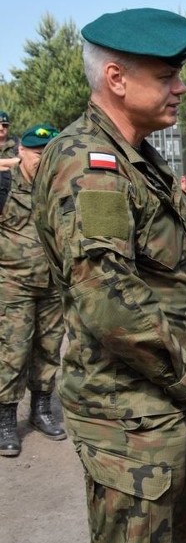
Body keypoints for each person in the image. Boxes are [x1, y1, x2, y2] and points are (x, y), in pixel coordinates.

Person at [32, 8, 186, 543]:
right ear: (116, 79)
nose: (181, 87)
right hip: (128, 416)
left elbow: (173, 277)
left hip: (156, 404)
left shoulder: (136, 158)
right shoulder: (89, 165)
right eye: (166, 76)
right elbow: (107, 299)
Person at [0, 124, 66, 458]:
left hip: (54, 286)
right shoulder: (4, 185)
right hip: (13, 285)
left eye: (48, 154)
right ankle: (6, 419)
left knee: (48, 350)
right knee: (13, 351)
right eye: (38, 153)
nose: (42, 160)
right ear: (20, 152)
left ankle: (41, 411)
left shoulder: (60, 189)